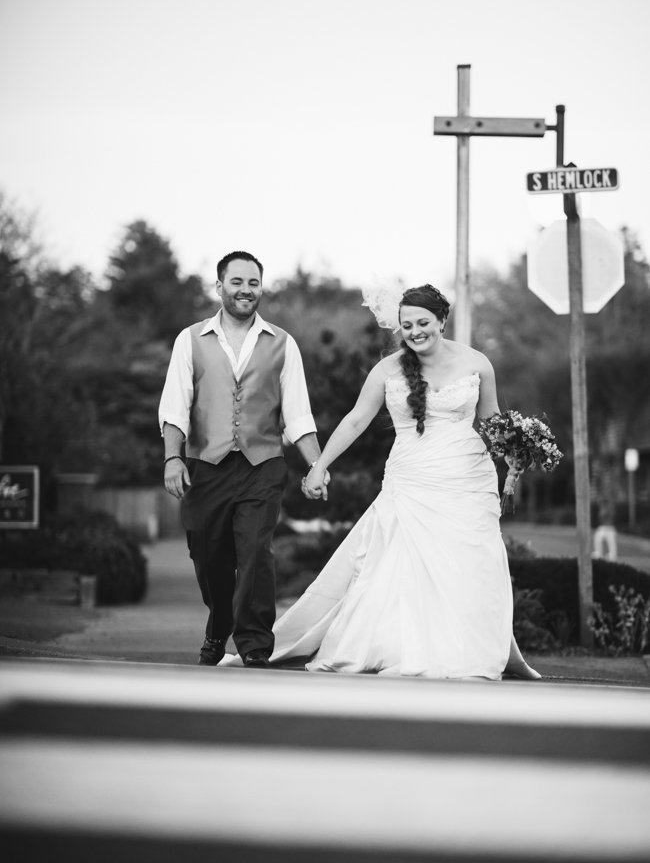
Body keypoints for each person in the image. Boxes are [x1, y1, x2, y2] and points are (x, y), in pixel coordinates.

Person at [263, 284, 540, 680]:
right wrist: (319, 465)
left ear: (442, 320)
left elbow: (493, 422)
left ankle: (469, 650)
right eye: (407, 325)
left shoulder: (478, 362)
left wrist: (516, 459)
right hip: (411, 478)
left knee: (468, 565)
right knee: (400, 566)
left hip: (468, 479)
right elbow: (356, 419)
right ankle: (402, 647)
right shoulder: (387, 369)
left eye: (423, 322)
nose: (415, 332)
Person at [159, 250, 325, 668]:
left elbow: (298, 414)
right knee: (207, 554)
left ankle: (253, 645)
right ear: (219, 287)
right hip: (206, 466)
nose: (246, 290)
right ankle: (219, 626)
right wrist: (172, 459)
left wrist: (316, 465)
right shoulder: (190, 339)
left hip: (262, 464)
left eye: (253, 283)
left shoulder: (283, 343)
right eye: (237, 282)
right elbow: (175, 408)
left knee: (255, 551)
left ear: (261, 288)